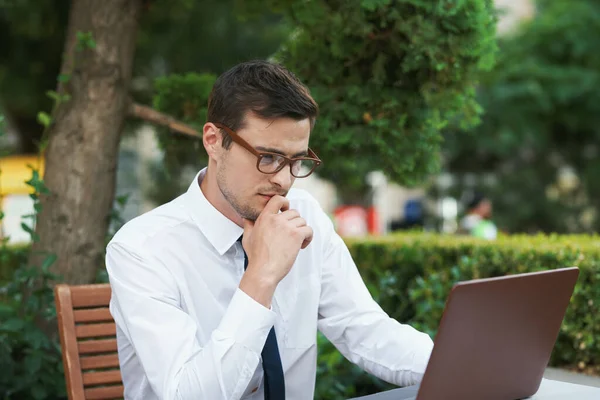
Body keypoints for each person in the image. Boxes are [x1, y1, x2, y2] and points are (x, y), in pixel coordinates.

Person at [106, 60, 433, 400]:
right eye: (269, 157)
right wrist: (262, 275)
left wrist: (466, 368)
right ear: (214, 140)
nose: (283, 180)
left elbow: (364, 329)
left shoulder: (304, 214)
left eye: (296, 161)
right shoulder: (142, 249)